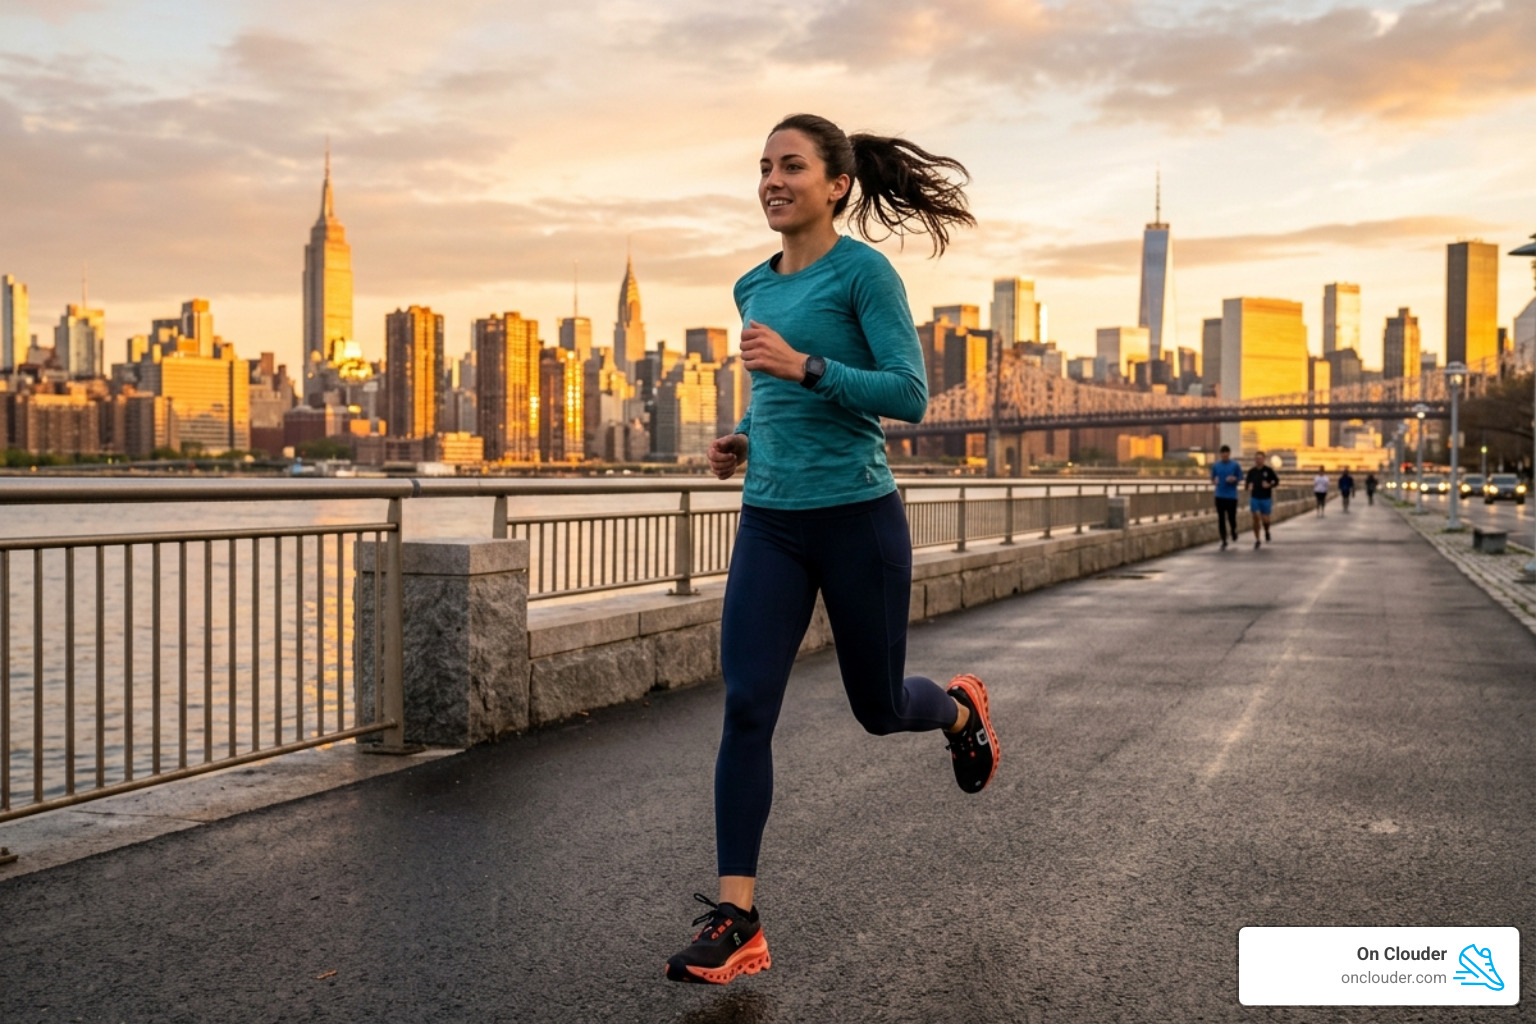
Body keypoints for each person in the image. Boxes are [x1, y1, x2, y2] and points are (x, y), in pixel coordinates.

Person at [664, 114, 997, 986]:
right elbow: (773, 395)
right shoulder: (751, 285)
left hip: (857, 519)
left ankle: (959, 712)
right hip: (770, 522)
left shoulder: (865, 274)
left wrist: (806, 366)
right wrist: (744, 436)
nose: (772, 181)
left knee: (878, 707)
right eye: (763, 167)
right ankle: (738, 919)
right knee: (746, 707)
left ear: (836, 185)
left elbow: (909, 395)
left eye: (792, 166)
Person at [1209, 444, 1242, 550]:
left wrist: (1234, 479)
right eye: (1223, 454)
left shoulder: (1235, 465)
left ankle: (1233, 530)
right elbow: (1212, 478)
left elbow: (1241, 477)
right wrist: (1214, 481)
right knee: (1221, 518)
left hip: (1232, 496)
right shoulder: (1216, 466)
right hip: (1219, 495)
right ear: (1221, 454)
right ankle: (1223, 539)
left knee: (1232, 517)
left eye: (1226, 454)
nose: (1224, 456)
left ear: (1229, 454)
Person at [1246, 451, 1280, 548]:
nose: (1258, 460)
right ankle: (1257, 539)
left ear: (1264, 459)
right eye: (1257, 459)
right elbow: (1247, 484)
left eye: (1260, 458)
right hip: (1255, 497)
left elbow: (1276, 481)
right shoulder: (1251, 472)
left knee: (1266, 520)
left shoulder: (1268, 471)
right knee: (1255, 517)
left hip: (1265, 498)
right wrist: (1249, 486)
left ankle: (1266, 531)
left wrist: (1269, 485)